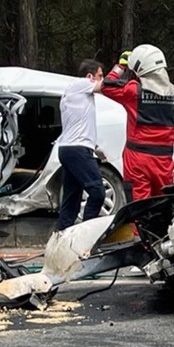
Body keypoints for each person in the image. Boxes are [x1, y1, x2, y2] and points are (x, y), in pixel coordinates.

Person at [101, 44, 174, 201]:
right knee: (161, 207)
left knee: (138, 209)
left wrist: (121, 66)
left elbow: (106, 85)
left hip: (137, 160)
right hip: (163, 163)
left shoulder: (134, 91)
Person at [56, 59, 106, 231]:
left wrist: (96, 148)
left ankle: (62, 234)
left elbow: (81, 124)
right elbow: (102, 87)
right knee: (98, 192)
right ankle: (87, 233)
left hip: (70, 148)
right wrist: (120, 69)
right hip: (77, 149)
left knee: (72, 198)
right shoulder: (80, 84)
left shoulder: (78, 94)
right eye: (100, 75)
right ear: (90, 76)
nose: (103, 79)